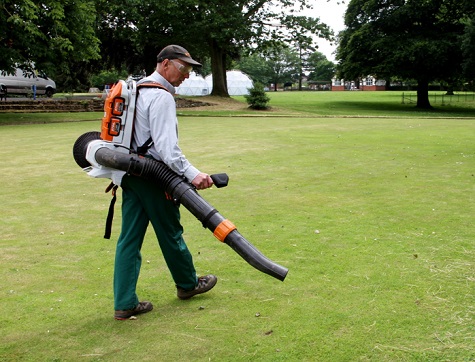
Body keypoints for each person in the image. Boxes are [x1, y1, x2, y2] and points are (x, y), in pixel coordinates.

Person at [113, 45, 217, 320]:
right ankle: (188, 284)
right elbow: (168, 150)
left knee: (129, 239)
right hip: (154, 176)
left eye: (189, 70)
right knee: (170, 231)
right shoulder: (161, 98)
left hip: (130, 173)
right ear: (165, 64)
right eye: (183, 68)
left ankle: (124, 303)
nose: (186, 75)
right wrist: (193, 174)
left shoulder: (137, 89)